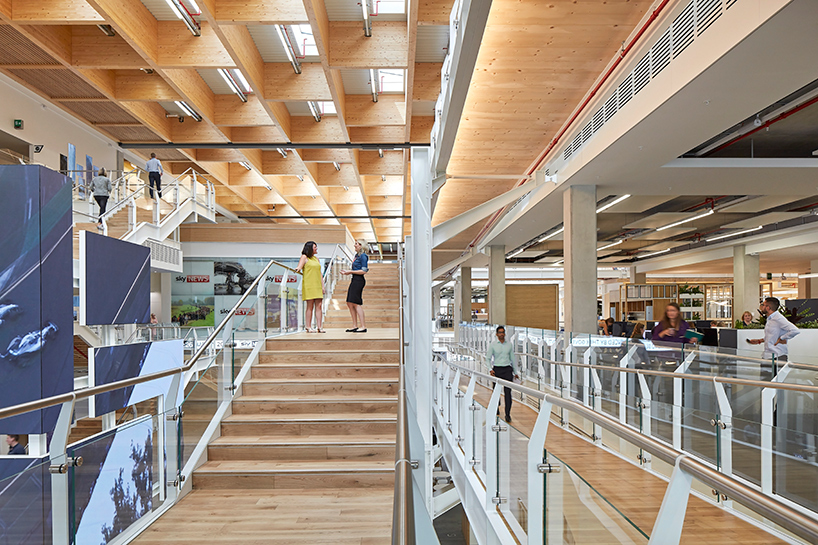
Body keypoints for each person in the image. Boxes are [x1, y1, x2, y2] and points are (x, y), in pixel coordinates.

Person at [746, 297, 799, 361]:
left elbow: (795, 330)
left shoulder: (778, 318)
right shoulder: (770, 318)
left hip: (777, 355)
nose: (761, 307)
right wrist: (759, 341)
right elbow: (772, 335)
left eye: (763, 305)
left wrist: (782, 338)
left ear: (768, 307)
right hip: (768, 355)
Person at [487, 326, 519, 422]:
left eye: (503, 332)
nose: (501, 334)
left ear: (504, 334)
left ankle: (507, 414)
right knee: (496, 391)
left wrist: (515, 372)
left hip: (507, 370)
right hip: (497, 369)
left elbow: (513, 359)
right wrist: (490, 369)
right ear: (497, 334)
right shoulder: (493, 345)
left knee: (508, 393)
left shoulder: (509, 345)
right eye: (499, 332)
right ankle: (497, 406)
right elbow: (488, 358)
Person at [296, 241, 325, 333]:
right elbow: (299, 267)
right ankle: (308, 326)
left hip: (317, 285)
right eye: (315, 247)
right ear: (310, 248)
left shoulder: (316, 259)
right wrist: (297, 269)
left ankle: (319, 327)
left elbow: (320, 274)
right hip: (309, 284)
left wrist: (323, 286)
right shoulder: (304, 257)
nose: (316, 249)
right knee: (310, 306)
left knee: (319, 306)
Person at [341, 240, 368, 333]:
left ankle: (363, 326)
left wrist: (350, 271)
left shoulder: (363, 256)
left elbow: (364, 271)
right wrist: (347, 272)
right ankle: (354, 325)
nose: (354, 245)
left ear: (361, 245)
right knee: (349, 302)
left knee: (356, 303)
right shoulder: (357, 256)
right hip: (354, 279)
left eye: (356, 244)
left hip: (359, 280)